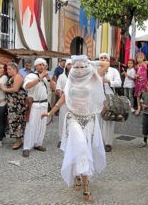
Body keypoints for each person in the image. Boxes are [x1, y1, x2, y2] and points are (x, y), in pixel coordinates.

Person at [41, 55, 109, 201]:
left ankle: (78, 175)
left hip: (89, 118)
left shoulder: (92, 77)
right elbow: (63, 99)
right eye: (75, 66)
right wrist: (50, 112)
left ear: (86, 66)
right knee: (81, 146)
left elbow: (105, 64)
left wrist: (89, 61)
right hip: (73, 118)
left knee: (85, 148)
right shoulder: (70, 80)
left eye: (81, 66)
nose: (78, 69)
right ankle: (86, 184)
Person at [22, 58, 55, 156]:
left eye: (43, 65)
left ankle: (38, 143)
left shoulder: (46, 77)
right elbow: (27, 86)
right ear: (36, 66)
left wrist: (48, 78)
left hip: (44, 104)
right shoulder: (30, 76)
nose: (42, 66)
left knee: (42, 125)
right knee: (31, 125)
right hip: (34, 104)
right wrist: (40, 77)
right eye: (40, 65)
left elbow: (54, 88)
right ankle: (27, 147)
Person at [0, 63, 27, 150]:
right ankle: (17, 139)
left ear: (15, 69)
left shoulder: (18, 76)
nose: (7, 71)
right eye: (7, 69)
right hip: (12, 103)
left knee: (17, 121)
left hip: (17, 104)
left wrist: (4, 89)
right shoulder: (11, 77)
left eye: (9, 69)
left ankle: (19, 140)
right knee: (13, 121)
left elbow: (15, 89)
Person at [99, 52, 122, 152]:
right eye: (101, 58)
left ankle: (108, 143)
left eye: (105, 58)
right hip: (98, 98)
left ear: (108, 60)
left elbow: (119, 83)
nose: (103, 59)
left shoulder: (113, 71)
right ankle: (99, 142)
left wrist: (109, 82)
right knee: (99, 120)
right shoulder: (96, 70)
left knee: (109, 120)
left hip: (110, 98)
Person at [55, 59, 72, 148]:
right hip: (64, 101)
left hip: (74, 103)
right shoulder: (61, 76)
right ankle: (61, 139)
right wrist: (60, 92)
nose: (70, 66)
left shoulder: (76, 76)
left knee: (72, 121)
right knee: (62, 119)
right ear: (66, 66)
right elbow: (58, 87)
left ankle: (71, 139)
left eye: (72, 64)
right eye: (69, 64)